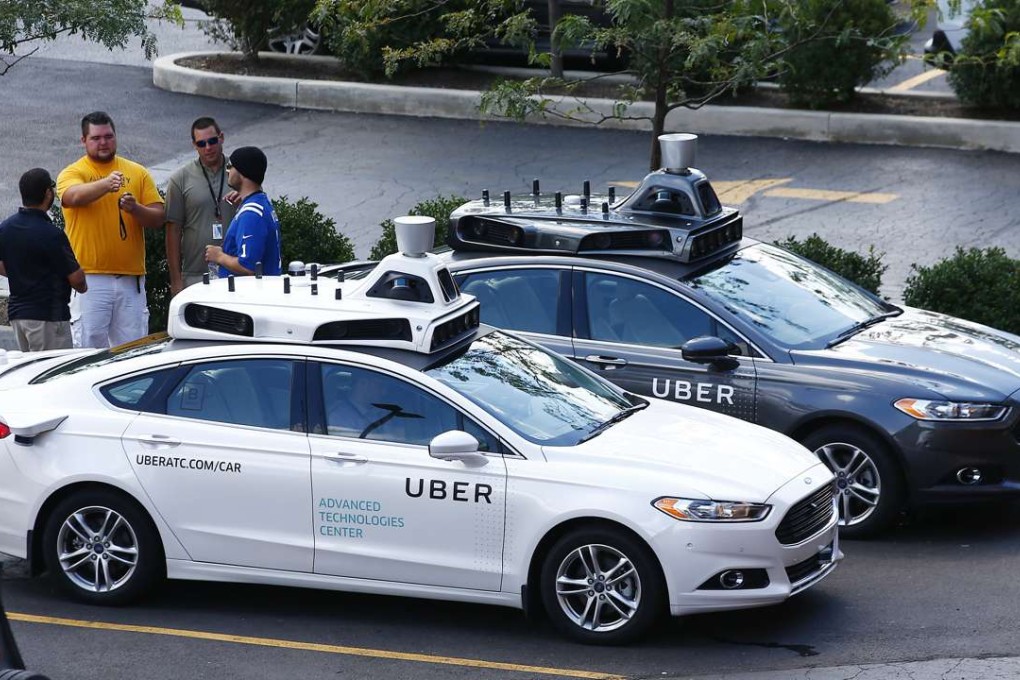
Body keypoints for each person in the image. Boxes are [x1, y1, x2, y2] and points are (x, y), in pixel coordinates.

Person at [56, 111, 165, 348]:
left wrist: (135, 208)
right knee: (87, 348)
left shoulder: (137, 172)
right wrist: (105, 185)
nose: (103, 142)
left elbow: (158, 218)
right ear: (83, 141)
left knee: (133, 349)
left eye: (108, 136)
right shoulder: (74, 172)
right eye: (96, 138)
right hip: (90, 279)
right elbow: (71, 196)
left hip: (131, 279)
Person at [0, 169, 87, 351]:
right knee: (54, 375)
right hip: (49, 318)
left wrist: (20, 272)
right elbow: (77, 281)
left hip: (18, 316)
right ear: (48, 193)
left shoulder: (6, 228)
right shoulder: (52, 234)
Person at [164, 116, 237, 296]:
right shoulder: (180, 179)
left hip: (237, 272)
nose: (208, 148)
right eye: (201, 143)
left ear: (221, 137)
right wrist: (176, 280)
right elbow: (172, 231)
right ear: (194, 145)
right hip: (195, 275)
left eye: (212, 141)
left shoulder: (240, 172)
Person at [205, 146, 282, 277]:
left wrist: (219, 256)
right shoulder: (260, 203)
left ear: (243, 171)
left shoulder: (251, 214)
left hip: (248, 294)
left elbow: (248, 266)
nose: (227, 171)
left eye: (230, 166)